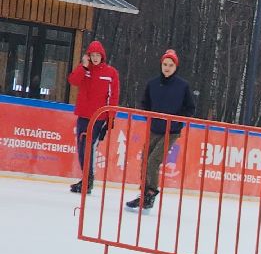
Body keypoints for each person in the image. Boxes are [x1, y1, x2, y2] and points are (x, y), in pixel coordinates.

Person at [127, 49, 196, 213]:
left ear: (175, 67)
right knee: (145, 159)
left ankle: (150, 193)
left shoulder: (182, 86)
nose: (167, 68)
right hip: (154, 128)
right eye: (165, 64)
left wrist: (177, 120)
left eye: (171, 65)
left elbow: (190, 108)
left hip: (171, 131)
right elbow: (145, 103)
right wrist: (149, 116)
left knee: (153, 160)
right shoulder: (152, 83)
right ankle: (144, 193)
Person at [67, 39, 121, 194]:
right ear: (88, 56)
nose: (95, 58)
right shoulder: (85, 69)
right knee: (81, 147)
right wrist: (83, 66)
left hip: (99, 118)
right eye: (93, 55)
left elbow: (113, 97)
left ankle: (88, 180)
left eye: (98, 55)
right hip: (83, 115)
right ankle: (86, 178)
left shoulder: (111, 73)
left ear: (102, 56)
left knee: (89, 147)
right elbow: (73, 80)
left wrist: (110, 119)